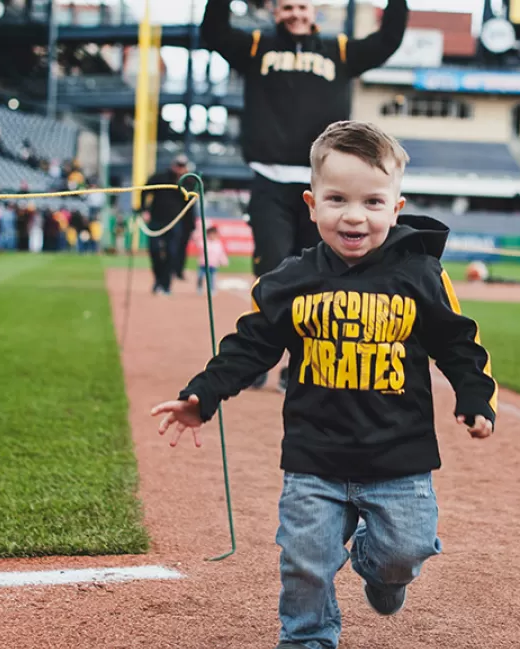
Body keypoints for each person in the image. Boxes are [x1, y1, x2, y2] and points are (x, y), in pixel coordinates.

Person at [151, 120, 498, 649]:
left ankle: (378, 571)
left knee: (404, 553)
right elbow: (250, 344)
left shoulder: (421, 275)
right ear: (311, 205)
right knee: (305, 562)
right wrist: (205, 394)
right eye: (336, 199)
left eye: (373, 203)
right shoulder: (291, 280)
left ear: (395, 209)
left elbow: (458, 342)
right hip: (315, 459)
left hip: (399, 462)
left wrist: (475, 398)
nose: (354, 215)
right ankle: (307, 638)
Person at [201, 0, 409, 392]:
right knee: (273, 273)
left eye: (301, 6)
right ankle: (255, 360)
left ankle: (300, 365)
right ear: (275, 11)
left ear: (314, 12)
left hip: (325, 188)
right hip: (269, 179)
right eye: (286, 7)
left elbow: (388, 40)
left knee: (320, 277)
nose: (295, 13)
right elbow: (213, 33)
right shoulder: (256, 47)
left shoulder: (340, 51)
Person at [141, 154, 194, 295]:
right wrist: (143, 210)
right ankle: (158, 280)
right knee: (155, 251)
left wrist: (191, 226)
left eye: (183, 166)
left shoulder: (188, 181)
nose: (179, 168)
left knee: (172, 253)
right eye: (178, 165)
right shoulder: (160, 178)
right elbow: (144, 190)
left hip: (176, 223)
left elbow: (191, 206)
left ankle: (166, 284)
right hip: (157, 220)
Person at [195, 225, 229, 295]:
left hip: (213, 265)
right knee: (200, 276)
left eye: (214, 234)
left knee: (211, 278)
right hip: (203, 264)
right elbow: (198, 243)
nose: (212, 236)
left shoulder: (218, 244)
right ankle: (199, 287)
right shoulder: (204, 242)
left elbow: (221, 253)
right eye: (210, 234)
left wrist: (224, 261)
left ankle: (212, 289)